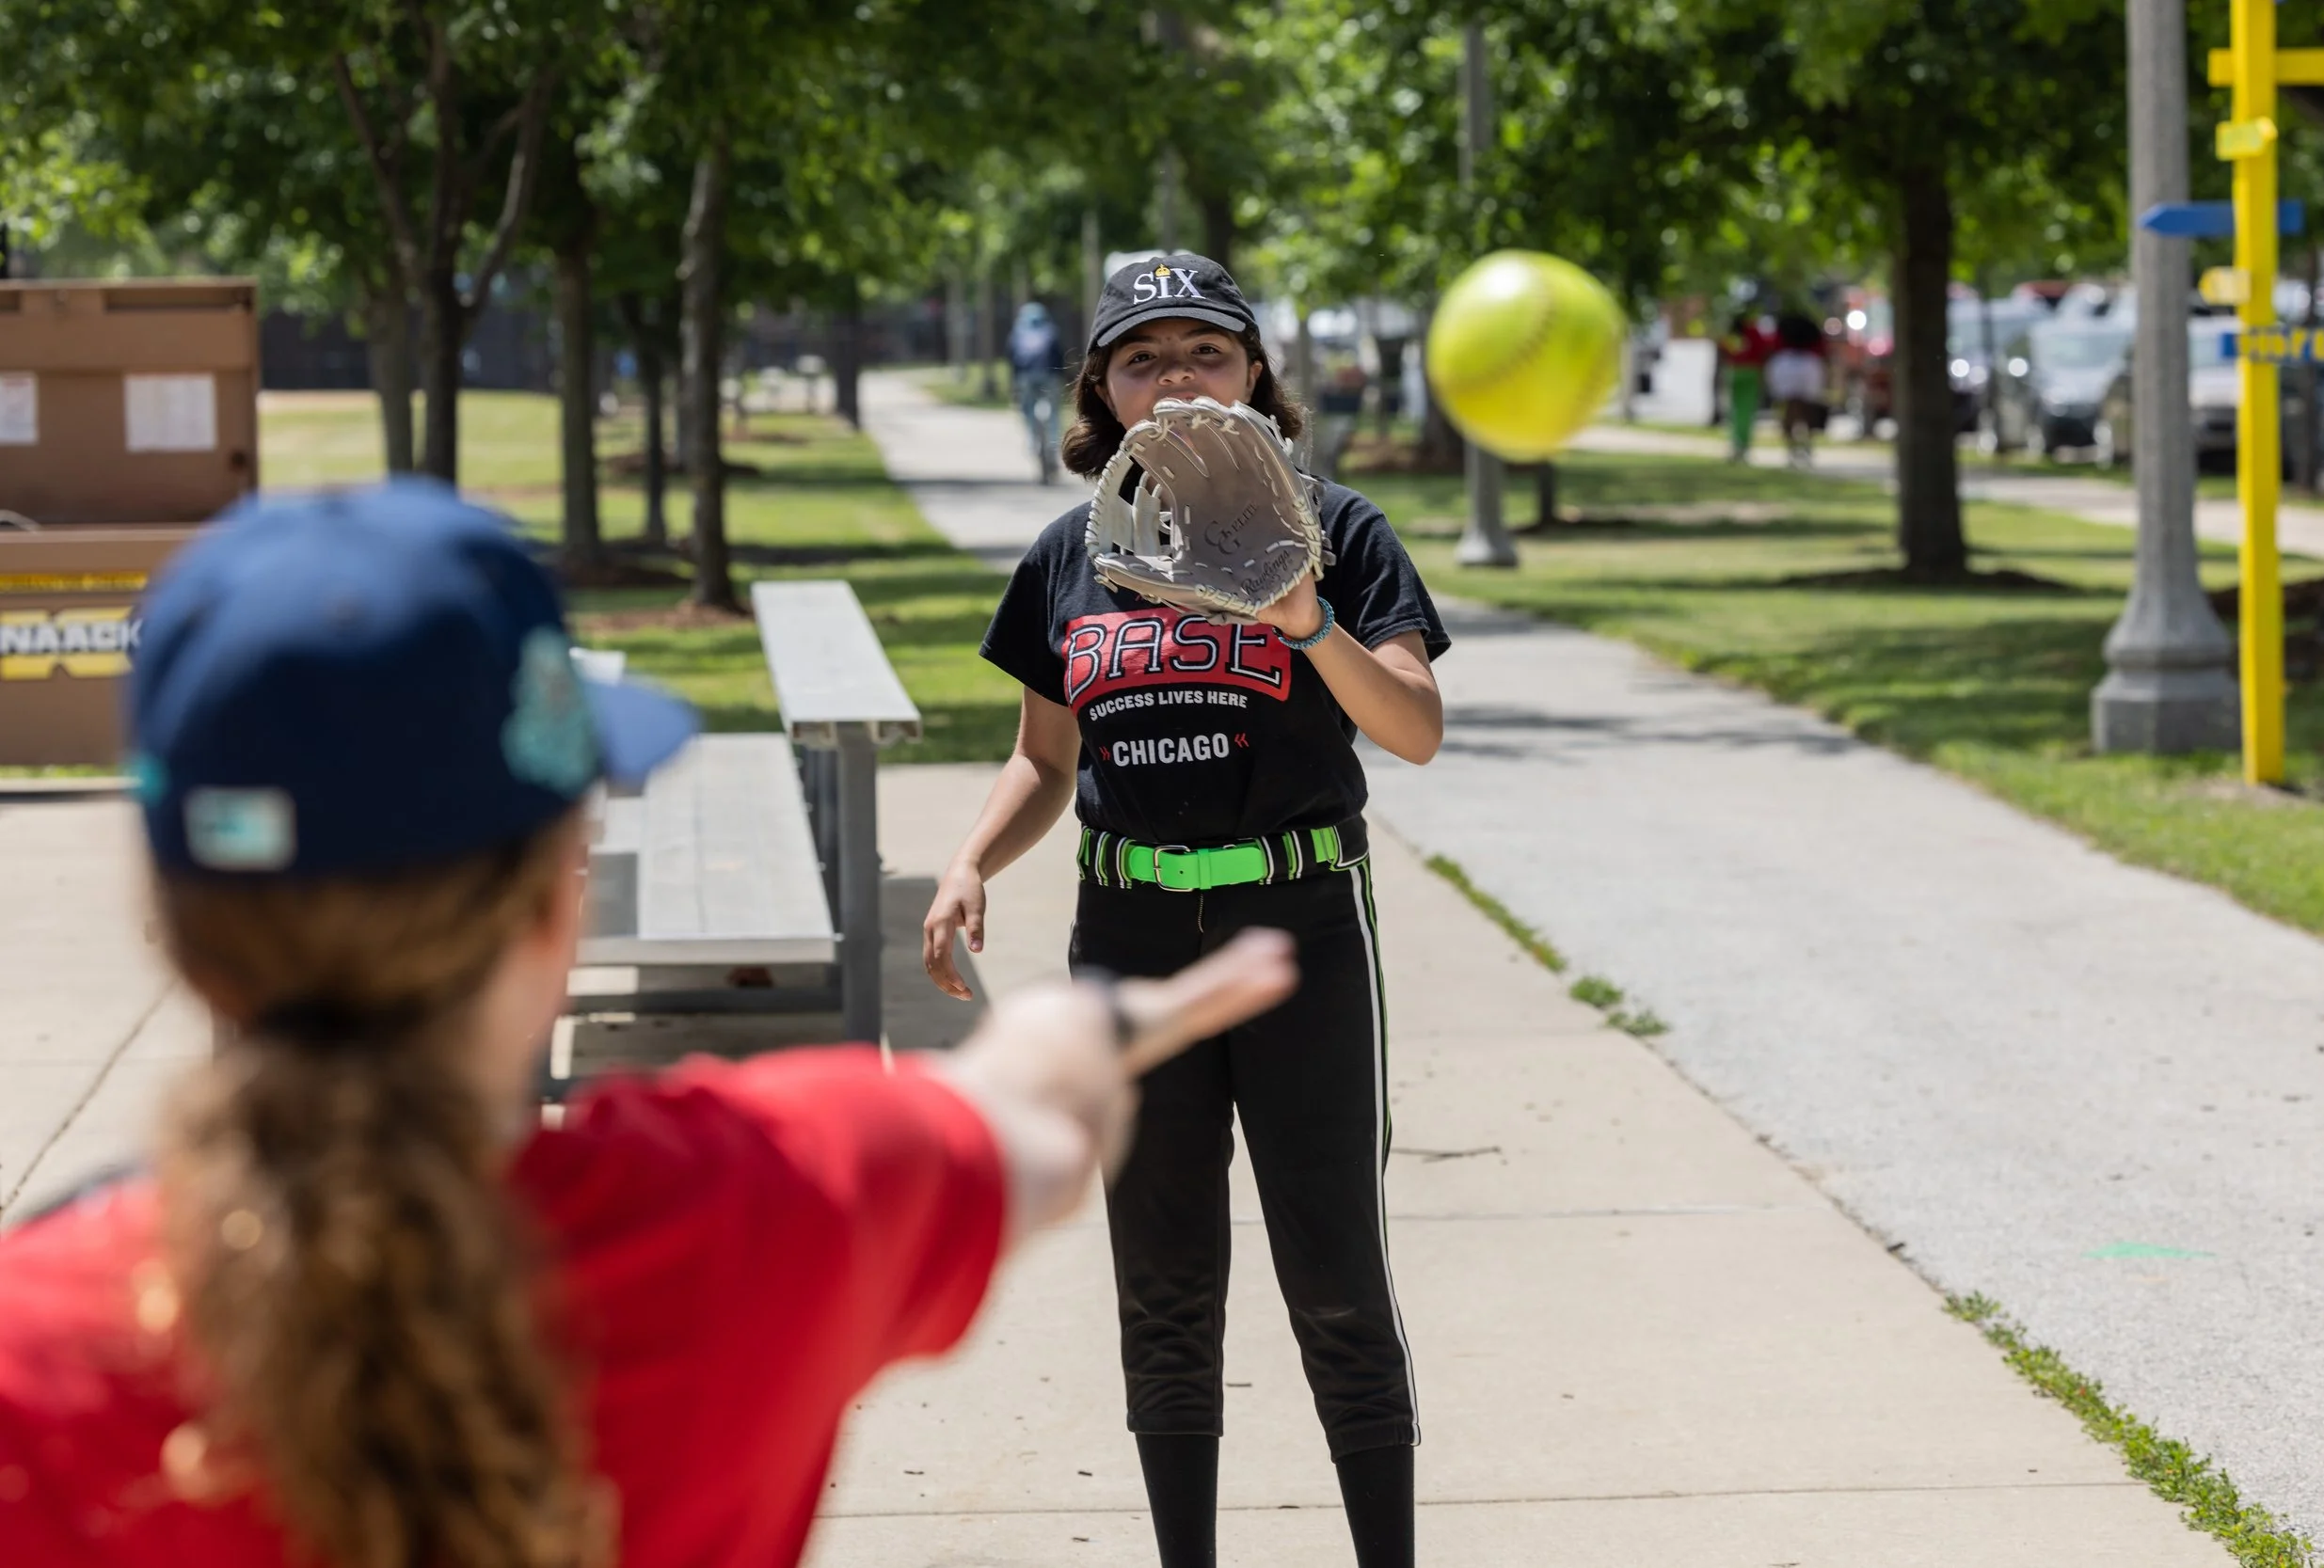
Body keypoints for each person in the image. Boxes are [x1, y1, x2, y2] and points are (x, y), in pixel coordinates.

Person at [0, 480, 1297, 1568]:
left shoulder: (29, 1346)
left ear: (176, 921)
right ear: (561, 886)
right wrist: (1110, 1014)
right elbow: (1040, 1117)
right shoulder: (762, 1203)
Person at [922, 251, 1448, 1568]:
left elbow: (1416, 727)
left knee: (1334, 1276)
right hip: (1129, 939)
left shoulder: (1338, 527)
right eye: (1144, 355)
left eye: (1205, 351)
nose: (1178, 376)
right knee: (1163, 1285)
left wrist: (1305, 616)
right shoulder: (1069, 556)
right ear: (1101, 383)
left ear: (1257, 370)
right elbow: (1045, 759)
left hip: (1299, 932)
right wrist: (971, 856)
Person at [1008, 300, 1065, 483]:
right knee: (1053, 413)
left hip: (1025, 377)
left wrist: (1014, 383)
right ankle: (1053, 444)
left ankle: (1033, 440)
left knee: (1028, 411)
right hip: (1049, 376)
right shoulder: (1050, 329)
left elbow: (1012, 358)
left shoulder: (1018, 330)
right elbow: (1058, 356)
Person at [1765, 311, 1827, 468]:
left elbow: (1773, 345)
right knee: (1807, 408)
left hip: (1786, 364)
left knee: (1789, 408)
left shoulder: (1783, 326)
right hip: (1808, 365)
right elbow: (1821, 347)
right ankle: (1806, 446)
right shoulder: (1811, 326)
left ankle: (1792, 448)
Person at [1718, 309, 1775, 462]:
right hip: (1751, 372)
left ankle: (1736, 444)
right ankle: (1743, 445)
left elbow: (1725, 352)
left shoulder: (1732, 335)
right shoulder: (1753, 332)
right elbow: (1765, 349)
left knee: (1735, 411)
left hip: (1735, 372)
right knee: (1747, 411)